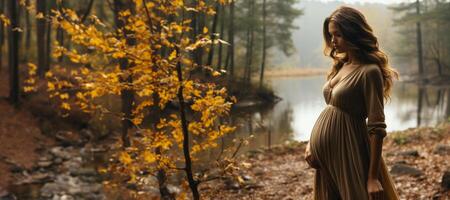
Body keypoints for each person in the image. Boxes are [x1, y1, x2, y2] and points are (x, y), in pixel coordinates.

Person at [304, 6, 400, 200]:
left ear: (353, 32)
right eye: (331, 35)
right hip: (327, 159)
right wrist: (310, 146)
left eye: (338, 35)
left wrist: (372, 177)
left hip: (350, 152)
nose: (332, 41)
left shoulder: (369, 72)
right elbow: (329, 112)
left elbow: (377, 128)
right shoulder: (342, 66)